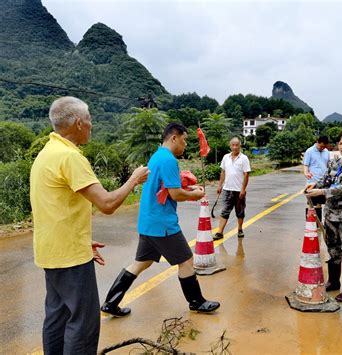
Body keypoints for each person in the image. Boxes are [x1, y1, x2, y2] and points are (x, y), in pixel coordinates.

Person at [30, 96, 150, 354]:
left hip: (51, 252)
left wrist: (82, 240)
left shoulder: (46, 153)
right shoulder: (70, 157)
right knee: (83, 323)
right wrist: (134, 180)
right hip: (70, 257)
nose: (92, 125)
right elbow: (107, 204)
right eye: (89, 120)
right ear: (77, 123)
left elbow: (54, 207)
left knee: (57, 316)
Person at [101, 123, 220, 317]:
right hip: (162, 224)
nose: (185, 145)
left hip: (148, 221)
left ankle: (110, 303)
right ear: (174, 138)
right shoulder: (169, 160)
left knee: (141, 263)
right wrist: (195, 194)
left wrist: (188, 190)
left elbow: (164, 189)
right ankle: (197, 302)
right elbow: (174, 194)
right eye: (184, 140)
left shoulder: (157, 156)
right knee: (187, 260)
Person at [305, 131, 342, 302]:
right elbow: (326, 180)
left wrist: (322, 191)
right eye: (340, 143)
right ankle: (333, 282)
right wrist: (314, 185)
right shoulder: (335, 163)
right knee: (333, 250)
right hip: (331, 215)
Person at [213, 137, 251, 241]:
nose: (234, 147)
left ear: (240, 146)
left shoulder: (244, 158)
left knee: (240, 211)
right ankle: (220, 232)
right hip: (227, 189)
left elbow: (246, 174)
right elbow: (223, 172)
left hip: (239, 190)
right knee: (225, 211)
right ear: (230, 146)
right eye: (233, 145)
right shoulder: (226, 157)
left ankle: (239, 229)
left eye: (236, 145)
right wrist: (220, 185)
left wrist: (243, 189)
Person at [303, 136, 330, 221]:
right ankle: (309, 223)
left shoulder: (326, 152)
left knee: (319, 203)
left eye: (324, 147)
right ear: (317, 142)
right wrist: (306, 173)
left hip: (323, 182)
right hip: (312, 181)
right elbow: (306, 164)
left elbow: (328, 165)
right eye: (321, 146)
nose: (322, 148)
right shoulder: (309, 151)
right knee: (311, 203)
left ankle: (318, 224)